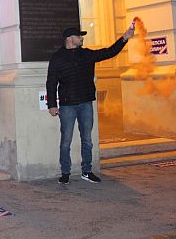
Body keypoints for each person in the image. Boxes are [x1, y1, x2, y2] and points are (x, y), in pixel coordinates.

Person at [46, 25, 134, 185]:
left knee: (87, 139)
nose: (82, 38)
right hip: (67, 105)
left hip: (86, 103)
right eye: (79, 36)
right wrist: (52, 104)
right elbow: (51, 82)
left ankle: (87, 171)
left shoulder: (86, 54)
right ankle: (65, 172)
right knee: (66, 140)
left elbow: (109, 52)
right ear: (69, 39)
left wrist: (124, 38)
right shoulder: (57, 58)